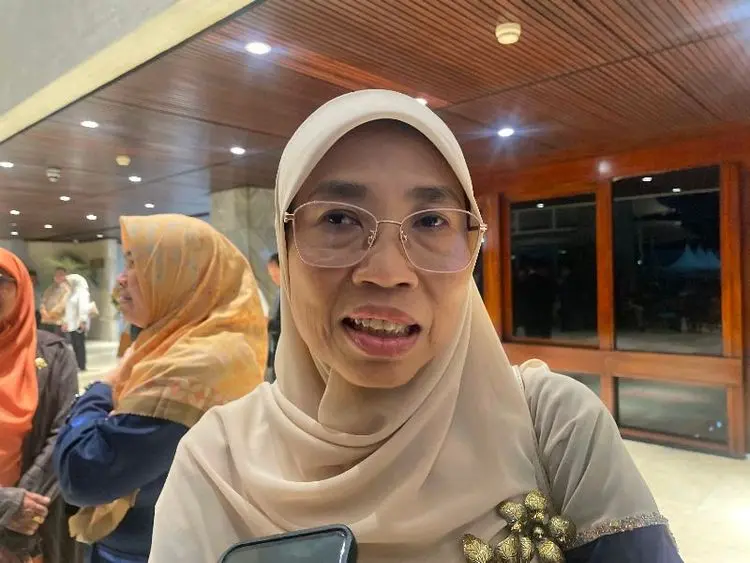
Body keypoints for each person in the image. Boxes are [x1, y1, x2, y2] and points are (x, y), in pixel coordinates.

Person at [148, 91, 682, 563]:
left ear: (470, 245)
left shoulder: (554, 426)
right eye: (338, 218)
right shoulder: (216, 464)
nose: (387, 273)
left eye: (430, 222)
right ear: (285, 248)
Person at [53, 214, 268, 563]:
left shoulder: (196, 365)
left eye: (135, 264)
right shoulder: (170, 345)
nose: (121, 278)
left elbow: (82, 473)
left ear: (184, 276)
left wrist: (100, 389)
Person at [0, 249, 82, 563]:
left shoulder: (55, 354)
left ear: (21, 288)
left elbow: (63, 433)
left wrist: (22, 505)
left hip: (30, 520)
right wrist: (5, 503)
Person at [63, 274, 91, 371]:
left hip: (79, 323)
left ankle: (82, 365)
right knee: (74, 345)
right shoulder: (71, 293)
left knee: (80, 345)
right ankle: (77, 364)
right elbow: (68, 309)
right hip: (72, 324)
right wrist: (65, 322)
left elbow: (83, 307)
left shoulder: (82, 292)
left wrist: (82, 321)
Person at [265, 252, 281, 383]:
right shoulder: (279, 293)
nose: (273, 279)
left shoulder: (288, 294)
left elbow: (290, 327)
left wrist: (269, 324)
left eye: (275, 275)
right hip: (275, 350)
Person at [39, 268, 69, 336]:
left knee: (57, 340)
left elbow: (62, 305)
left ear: (65, 276)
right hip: (46, 321)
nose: (58, 276)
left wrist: (50, 314)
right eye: (56, 274)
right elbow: (43, 301)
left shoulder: (67, 289)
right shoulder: (49, 288)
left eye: (61, 274)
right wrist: (43, 311)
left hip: (58, 322)